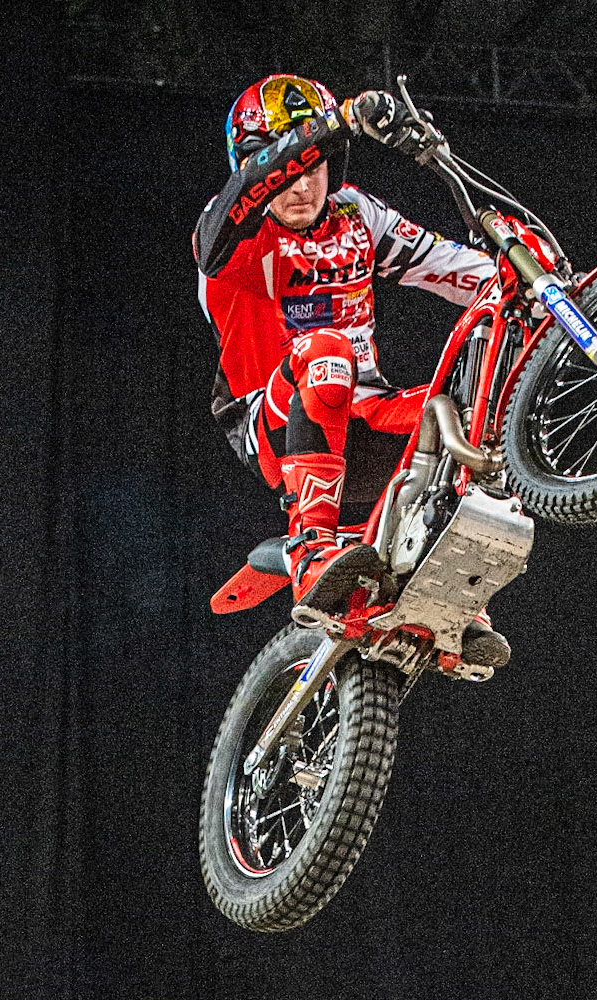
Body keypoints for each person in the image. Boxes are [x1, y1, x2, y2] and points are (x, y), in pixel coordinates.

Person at [193, 73, 513, 665]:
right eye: (287, 171)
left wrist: (535, 292)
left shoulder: (355, 214)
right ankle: (311, 547)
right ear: (257, 170)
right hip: (273, 420)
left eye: (313, 169)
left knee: (471, 410)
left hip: (368, 413)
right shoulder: (233, 232)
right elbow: (222, 229)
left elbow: (452, 269)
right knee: (327, 349)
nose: (300, 187)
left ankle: (450, 599)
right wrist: (331, 123)